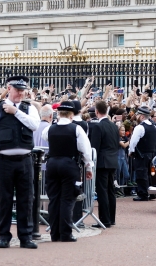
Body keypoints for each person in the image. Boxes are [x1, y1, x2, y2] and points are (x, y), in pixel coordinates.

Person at [0, 75, 40, 249]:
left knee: (26, 199)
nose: (20, 94)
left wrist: (16, 112)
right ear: (9, 88)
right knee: (4, 199)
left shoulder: (29, 109)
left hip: (25, 160)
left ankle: (26, 237)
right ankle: (4, 236)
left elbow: (34, 125)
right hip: (4, 161)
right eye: (17, 90)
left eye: (23, 91)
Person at [45, 100, 93, 242]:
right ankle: (65, 233)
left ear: (58, 114)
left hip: (52, 164)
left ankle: (54, 233)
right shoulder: (76, 129)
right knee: (67, 199)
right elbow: (86, 151)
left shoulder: (50, 128)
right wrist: (88, 167)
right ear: (72, 115)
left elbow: (44, 136)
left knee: (54, 199)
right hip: (69, 164)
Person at [89, 99, 120, 228]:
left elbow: (94, 146)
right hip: (113, 160)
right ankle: (111, 218)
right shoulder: (114, 126)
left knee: (102, 191)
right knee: (110, 191)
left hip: (102, 161)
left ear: (96, 111)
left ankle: (104, 219)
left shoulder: (98, 126)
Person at [128, 105, 156, 201]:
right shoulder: (153, 127)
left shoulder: (139, 127)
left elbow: (133, 141)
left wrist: (131, 151)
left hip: (142, 154)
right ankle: (152, 193)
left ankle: (143, 194)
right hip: (151, 153)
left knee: (141, 173)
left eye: (137, 115)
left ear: (141, 116)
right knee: (150, 174)